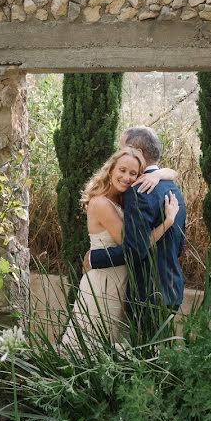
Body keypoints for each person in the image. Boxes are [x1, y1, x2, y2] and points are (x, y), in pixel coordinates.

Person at [61, 147, 180, 349]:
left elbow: (172, 173)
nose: (126, 177)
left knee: (112, 347)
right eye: (122, 170)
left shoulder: (124, 200)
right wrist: (168, 222)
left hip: (120, 282)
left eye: (133, 173)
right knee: (92, 346)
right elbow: (136, 246)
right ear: (111, 169)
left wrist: (158, 174)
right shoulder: (100, 203)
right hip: (103, 285)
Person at [84, 127, 187, 344]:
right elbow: (178, 246)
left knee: (143, 361)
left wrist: (94, 258)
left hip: (146, 292)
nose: (120, 153)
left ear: (137, 151)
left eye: (122, 147)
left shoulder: (138, 191)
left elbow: (135, 249)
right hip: (169, 286)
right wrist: (161, 173)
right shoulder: (172, 188)